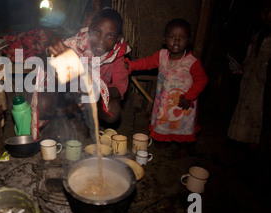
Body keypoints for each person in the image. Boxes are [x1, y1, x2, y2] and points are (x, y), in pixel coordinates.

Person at [30, 8, 131, 141]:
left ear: (118, 39)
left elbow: (119, 89)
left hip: (95, 101)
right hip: (70, 97)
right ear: (89, 31)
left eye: (110, 35)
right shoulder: (75, 45)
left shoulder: (117, 56)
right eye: (97, 32)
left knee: (113, 111)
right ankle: (65, 118)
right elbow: (48, 65)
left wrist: (95, 93)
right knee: (41, 103)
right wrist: (52, 50)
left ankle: (85, 121)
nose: (101, 40)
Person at [125, 18, 208, 142]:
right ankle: (163, 140)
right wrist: (131, 66)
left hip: (183, 103)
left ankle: (184, 147)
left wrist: (189, 97)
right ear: (164, 39)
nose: (176, 41)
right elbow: (146, 63)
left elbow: (202, 80)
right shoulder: (161, 56)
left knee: (182, 127)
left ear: (189, 40)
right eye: (172, 37)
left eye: (182, 38)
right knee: (163, 123)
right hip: (164, 103)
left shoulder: (192, 62)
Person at [228, 0, 271, 151]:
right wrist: (241, 69)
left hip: (265, 93)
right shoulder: (257, 34)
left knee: (262, 129)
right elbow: (250, 59)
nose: (268, 15)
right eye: (265, 10)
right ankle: (247, 157)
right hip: (251, 89)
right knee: (248, 126)